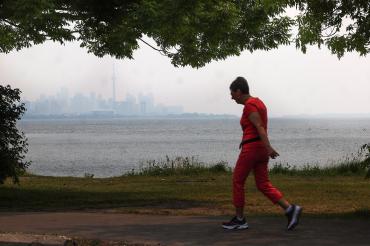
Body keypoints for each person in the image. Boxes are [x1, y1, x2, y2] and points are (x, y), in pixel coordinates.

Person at [222, 76, 302, 231]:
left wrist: (269, 147)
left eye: (232, 93)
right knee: (263, 184)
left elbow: (259, 126)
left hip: (252, 150)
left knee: (238, 181)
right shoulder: (259, 103)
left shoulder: (250, 105)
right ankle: (290, 209)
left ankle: (240, 219)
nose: (231, 97)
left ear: (239, 91)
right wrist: (263, 147)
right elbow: (256, 128)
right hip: (259, 149)